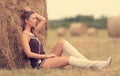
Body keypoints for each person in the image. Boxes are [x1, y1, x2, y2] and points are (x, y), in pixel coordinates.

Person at [21, 7, 112, 69]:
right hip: (40, 64)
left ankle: (88, 62)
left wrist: (31, 12)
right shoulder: (24, 36)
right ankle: (97, 65)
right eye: (33, 19)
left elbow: (43, 20)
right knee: (68, 59)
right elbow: (29, 54)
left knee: (62, 42)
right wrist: (47, 56)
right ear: (26, 21)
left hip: (46, 59)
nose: (35, 20)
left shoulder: (34, 32)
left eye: (35, 18)